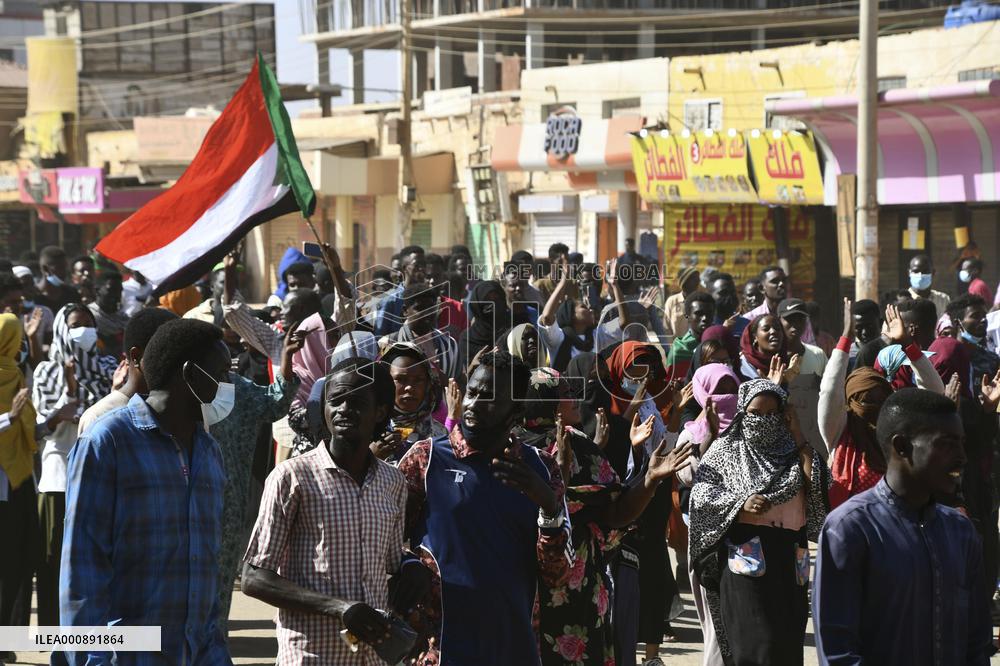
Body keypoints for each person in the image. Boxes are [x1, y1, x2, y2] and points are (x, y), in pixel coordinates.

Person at [60, 319, 232, 665]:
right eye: (223, 373)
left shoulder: (210, 453)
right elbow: (82, 569)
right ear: (191, 375)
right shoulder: (107, 442)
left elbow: (206, 570)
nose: (230, 385)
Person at [398, 350, 571, 665]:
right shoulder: (425, 459)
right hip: (441, 647)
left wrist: (546, 503)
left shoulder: (541, 469)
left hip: (512, 646)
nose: (473, 404)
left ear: (515, 410)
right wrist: (411, 567)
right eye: (472, 392)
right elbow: (387, 540)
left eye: (488, 397)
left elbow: (557, 575)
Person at [518, 368, 692, 666]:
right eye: (564, 394)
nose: (574, 399)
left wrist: (649, 476)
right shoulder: (574, 443)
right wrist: (649, 481)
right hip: (575, 589)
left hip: (517, 589)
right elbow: (617, 511)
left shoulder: (508, 446)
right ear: (544, 401)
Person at [813, 389, 993, 666]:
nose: (961, 457)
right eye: (946, 444)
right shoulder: (849, 529)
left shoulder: (961, 531)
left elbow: (977, 640)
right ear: (902, 447)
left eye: (961, 443)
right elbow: (838, 651)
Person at [689, 379, 829, 666]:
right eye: (755, 413)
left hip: (790, 556)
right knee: (757, 647)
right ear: (742, 412)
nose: (763, 421)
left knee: (787, 646)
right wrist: (740, 504)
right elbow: (702, 495)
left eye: (771, 414)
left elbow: (816, 485)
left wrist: (799, 433)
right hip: (746, 555)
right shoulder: (725, 451)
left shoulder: (795, 449)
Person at [34, 304, 116, 627]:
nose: (85, 330)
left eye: (89, 323)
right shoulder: (45, 371)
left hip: (101, 473)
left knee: (97, 556)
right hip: (59, 474)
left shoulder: (108, 365)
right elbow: (47, 425)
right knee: (54, 558)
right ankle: (54, 632)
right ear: (60, 330)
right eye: (76, 324)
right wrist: (69, 390)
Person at [78, 308, 180, 435]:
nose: (177, 362)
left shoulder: (179, 413)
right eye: (167, 353)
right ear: (136, 356)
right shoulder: (99, 418)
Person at [0, 313, 39, 633]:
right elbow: (16, 417)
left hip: (20, 480)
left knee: (17, 562)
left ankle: (9, 636)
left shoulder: (15, 373)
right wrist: (10, 417)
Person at [373, 342, 448, 463]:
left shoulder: (441, 435)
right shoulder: (368, 431)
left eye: (418, 380)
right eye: (400, 380)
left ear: (428, 384)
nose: (409, 388)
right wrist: (371, 457)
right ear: (385, 382)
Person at [778, 298, 829, 460]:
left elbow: (827, 394)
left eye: (800, 319)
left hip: (813, 438)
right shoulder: (771, 359)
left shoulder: (817, 355)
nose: (795, 324)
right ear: (778, 321)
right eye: (789, 319)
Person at [380, 281, 458, 380]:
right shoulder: (388, 343)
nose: (427, 313)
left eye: (431, 307)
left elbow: (459, 380)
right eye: (419, 308)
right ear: (405, 311)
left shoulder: (449, 344)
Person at [537, 259, 597, 372]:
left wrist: (614, 285)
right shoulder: (560, 337)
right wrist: (563, 282)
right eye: (583, 307)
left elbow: (623, 324)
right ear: (571, 314)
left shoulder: (596, 335)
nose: (589, 309)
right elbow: (546, 317)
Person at [455, 280, 509, 385]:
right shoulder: (467, 339)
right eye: (487, 301)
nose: (494, 305)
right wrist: (478, 366)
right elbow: (465, 378)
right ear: (477, 306)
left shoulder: (514, 326)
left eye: (497, 299)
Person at [666, 292, 716, 382]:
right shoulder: (679, 351)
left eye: (709, 313)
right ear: (687, 316)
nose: (704, 318)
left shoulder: (719, 343)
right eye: (698, 313)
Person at [87, 271, 128, 359]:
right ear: (97, 290)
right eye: (111, 290)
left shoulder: (124, 318)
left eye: (119, 291)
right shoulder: (88, 317)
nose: (116, 295)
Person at [36, 246, 80, 312]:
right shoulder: (35, 297)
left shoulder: (72, 294)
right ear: (45, 269)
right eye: (60, 268)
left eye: (65, 267)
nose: (64, 272)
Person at [663, 266, 700, 341]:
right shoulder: (672, 301)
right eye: (694, 278)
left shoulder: (701, 300)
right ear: (684, 281)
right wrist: (671, 349)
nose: (698, 281)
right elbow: (666, 328)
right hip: (677, 349)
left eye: (698, 278)